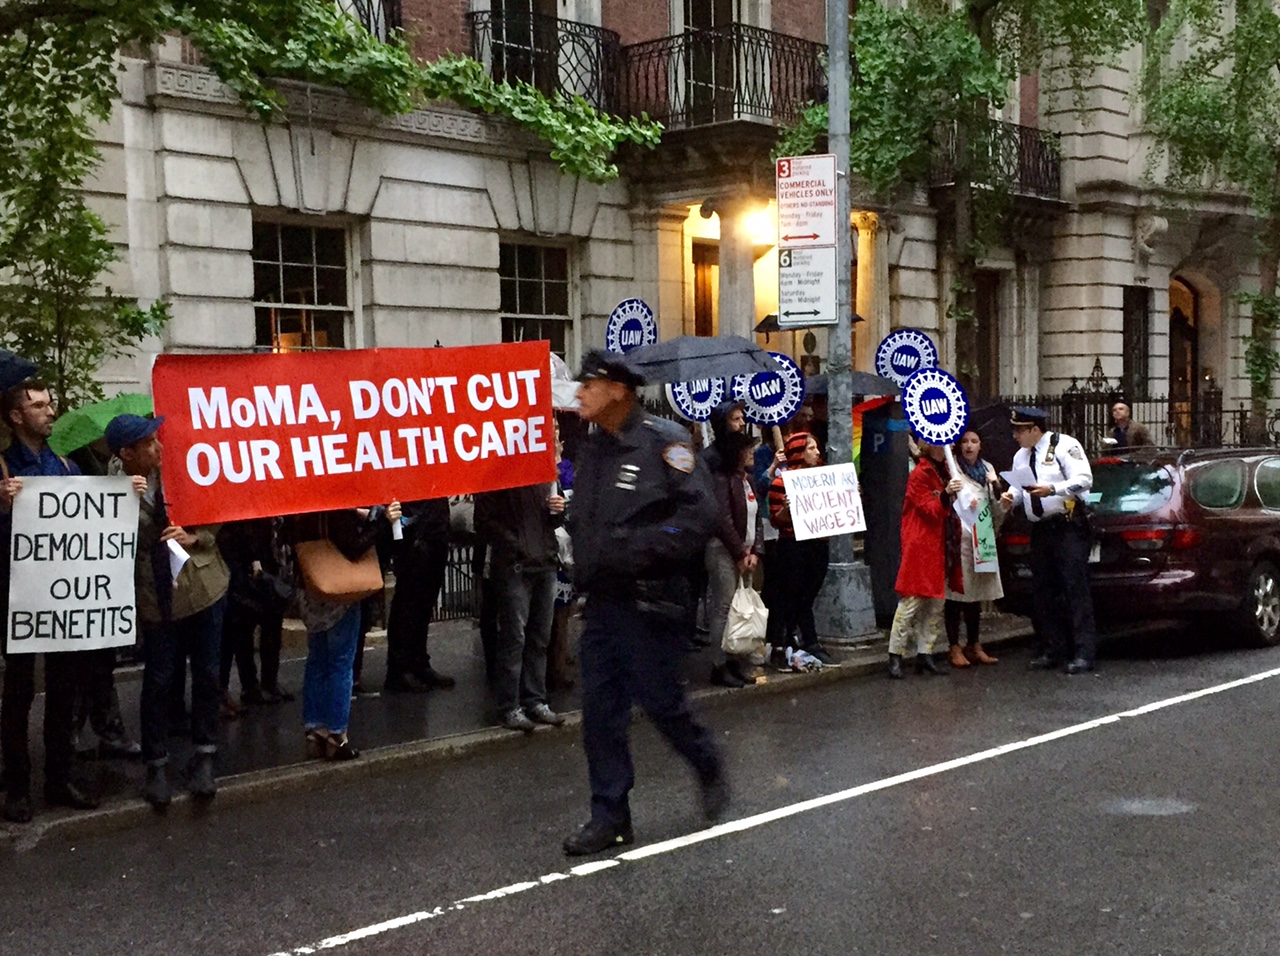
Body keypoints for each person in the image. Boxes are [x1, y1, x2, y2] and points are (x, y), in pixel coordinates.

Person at [562, 349, 728, 857]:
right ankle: (610, 816)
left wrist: (641, 549)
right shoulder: (594, 450)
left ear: (618, 389)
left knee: (661, 703)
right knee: (600, 712)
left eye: (588, 383)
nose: (578, 392)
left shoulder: (665, 442)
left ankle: (706, 762)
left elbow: (700, 515)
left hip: (651, 602)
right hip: (605, 603)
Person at [110, 413, 230, 807]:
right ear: (126, 454)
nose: (158, 449)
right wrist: (124, 500)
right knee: (159, 680)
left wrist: (194, 536)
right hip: (156, 597)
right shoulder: (111, 488)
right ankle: (156, 764)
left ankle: (205, 757)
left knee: (209, 673)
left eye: (157, 440)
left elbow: (216, 511)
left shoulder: (182, 468)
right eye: (147, 444)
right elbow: (110, 543)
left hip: (202, 586)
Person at [0, 380, 104, 821]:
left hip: (62, 596)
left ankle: (58, 778)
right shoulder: (4, 466)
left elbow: (90, 513)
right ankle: (17, 786)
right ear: (15, 417)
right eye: (37, 406)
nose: (49, 411)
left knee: (65, 687)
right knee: (19, 690)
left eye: (49, 403)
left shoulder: (63, 462)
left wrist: (126, 493)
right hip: (18, 595)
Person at [291, 503, 400, 760]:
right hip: (340, 594)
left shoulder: (300, 507)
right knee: (341, 663)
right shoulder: (337, 507)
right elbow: (354, 546)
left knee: (317, 660)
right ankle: (337, 736)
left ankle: (314, 729)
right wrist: (381, 523)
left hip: (312, 590)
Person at [1000, 407, 1098, 674]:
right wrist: (1010, 497)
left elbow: (1084, 480)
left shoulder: (1065, 445)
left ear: (1034, 429)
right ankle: (1053, 649)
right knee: (1043, 591)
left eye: (1019, 430)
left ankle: (1083, 652)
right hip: (1040, 529)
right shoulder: (1021, 456)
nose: (1015, 436)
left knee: (1073, 588)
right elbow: (1020, 487)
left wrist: (1053, 488)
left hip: (1067, 526)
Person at [474, 480, 567, 732]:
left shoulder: (545, 475)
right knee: (514, 637)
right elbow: (483, 522)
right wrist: (515, 545)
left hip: (543, 562)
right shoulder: (497, 475)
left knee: (539, 637)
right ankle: (509, 705)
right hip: (516, 565)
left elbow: (555, 520)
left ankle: (534, 700)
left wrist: (558, 510)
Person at [886, 440, 964, 678]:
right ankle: (895, 656)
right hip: (922, 546)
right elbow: (929, 509)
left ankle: (925, 653)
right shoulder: (920, 474)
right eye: (940, 445)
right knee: (911, 603)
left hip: (940, 545)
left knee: (934, 605)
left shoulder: (946, 470)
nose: (945, 448)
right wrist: (945, 495)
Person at [767, 431, 834, 667]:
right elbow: (777, 521)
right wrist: (786, 510)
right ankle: (793, 641)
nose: (817, 452)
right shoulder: (780, 483)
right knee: (792, 595)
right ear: (798, 452)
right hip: (793, 546)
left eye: (816, 447)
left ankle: (799, 641)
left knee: (808, 595)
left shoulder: (824, 478)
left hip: (818, 544)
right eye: (810, 448)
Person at [706, 429, 764, 687]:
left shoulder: (747, 480)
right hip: (723, 550)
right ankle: (718, 664)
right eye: (747, 449)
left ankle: (735, 660)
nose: (751, 453)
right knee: (724, 606)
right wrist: (740, 552)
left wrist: (755, 551)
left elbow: (757, 518)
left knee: (739, 609)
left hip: (745, 551)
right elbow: (723, 520)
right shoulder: (722, 481)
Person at [382, 498, 455, 693]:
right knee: (408, 602)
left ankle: (419, 661)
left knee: (425, 602)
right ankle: (399, 667)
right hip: (413, 531)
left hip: (435, 528)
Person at [944, 429, 1003, 668]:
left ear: (980, 445)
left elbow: (997, 507)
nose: (969, 446)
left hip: (983, 536)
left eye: (974, 441)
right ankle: (953, 646)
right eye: (965, 441)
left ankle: (974, 643)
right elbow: (945, 502)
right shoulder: (952, 467)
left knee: (976, 593)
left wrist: (997, 486)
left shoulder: (987, 469)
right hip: (960, 537)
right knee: (957, 593)